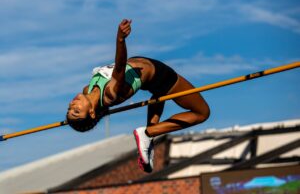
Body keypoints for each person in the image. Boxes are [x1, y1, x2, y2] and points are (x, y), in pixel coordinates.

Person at [66, 19, 210, 173]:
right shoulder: (110, 94)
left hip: (150, 75)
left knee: (159, 95)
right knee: (202, 113)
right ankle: (148, 133)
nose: (72, 105)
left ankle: (148, 140)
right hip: (160, 75)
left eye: (69, 108)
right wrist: (120, 39)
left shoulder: (87, 90)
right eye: (76, 111)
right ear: (91, 113)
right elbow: (120, 68)